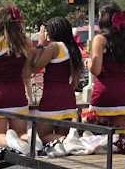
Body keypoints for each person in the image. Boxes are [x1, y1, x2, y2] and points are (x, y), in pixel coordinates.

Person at [0, 3, 33, 154]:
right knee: (22, 134)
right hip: (18, 96)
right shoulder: (26, 42)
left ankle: (10, 140)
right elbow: (26, 74)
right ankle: (29, 141)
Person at [30, 17, 84, 157]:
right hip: (68, 96)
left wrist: (40, 44)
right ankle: (69, 141)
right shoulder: (73, 48)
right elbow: (76, 78)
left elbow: (35, 67)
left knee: (43, 136)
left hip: (52, 97)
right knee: (62, 144)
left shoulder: (54, 47)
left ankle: (69, 141)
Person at [89, 3, 125, 132]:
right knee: (118, 133)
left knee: (99, 134)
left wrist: (88, 63)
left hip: (104, 89)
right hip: (122, 89)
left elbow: (96, 70)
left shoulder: (100, 39)